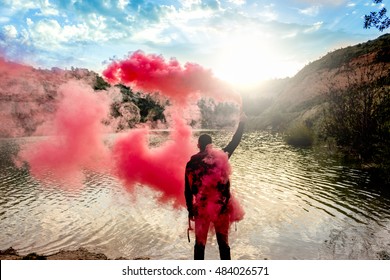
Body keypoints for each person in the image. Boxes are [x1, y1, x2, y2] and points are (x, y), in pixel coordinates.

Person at [184, 113, 246, 260]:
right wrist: (242, 123)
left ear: (199, 145)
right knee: (223, 244)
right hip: (222, 208)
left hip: (201, 209)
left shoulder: (191, 163)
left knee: (200, 245)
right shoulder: (221, 156)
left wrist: (190, 209)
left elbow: (187, 190)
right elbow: (235, 141)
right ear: (210, 144)